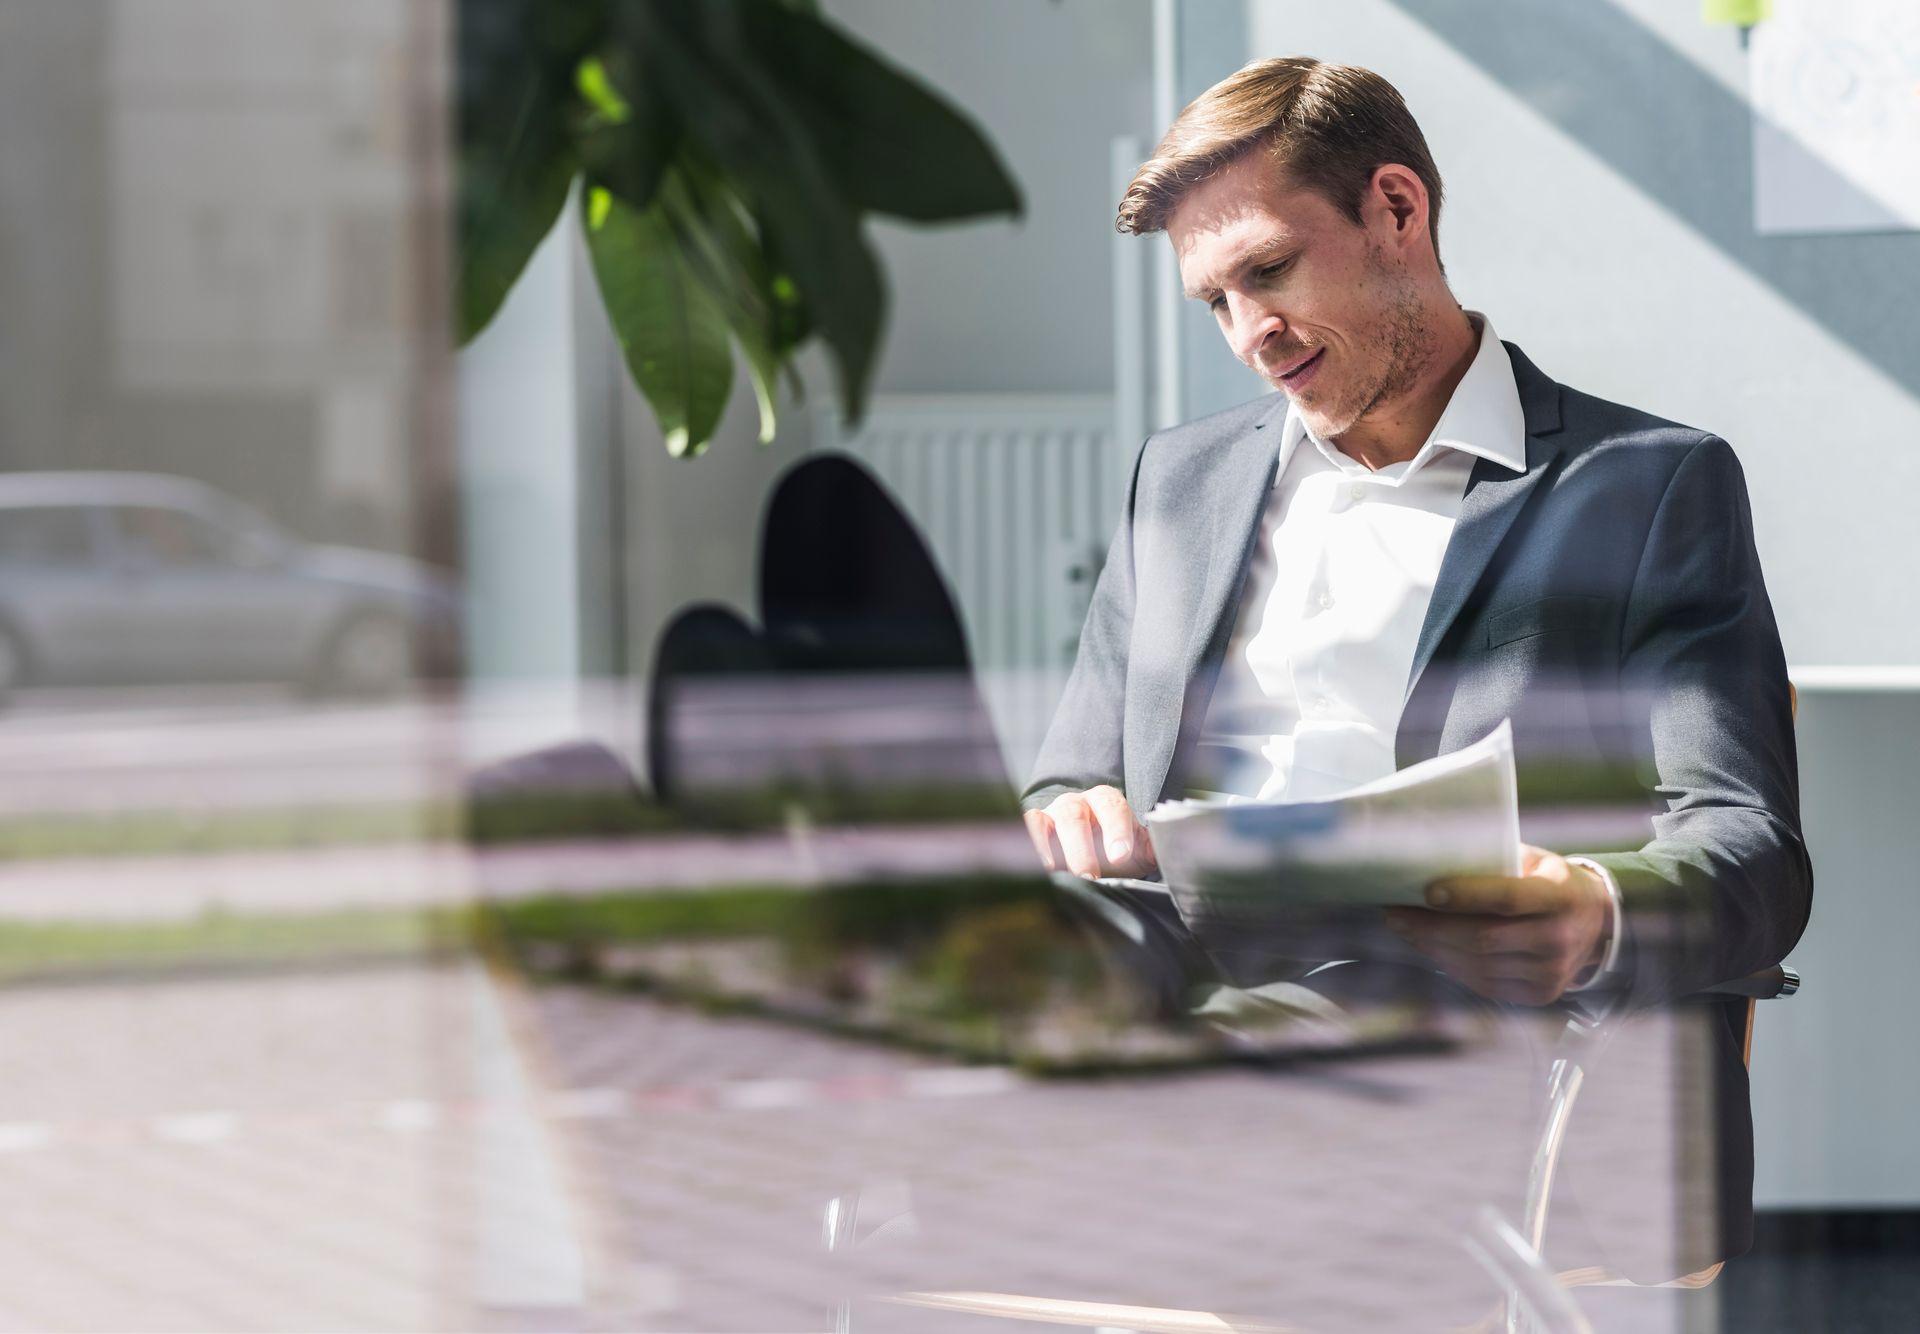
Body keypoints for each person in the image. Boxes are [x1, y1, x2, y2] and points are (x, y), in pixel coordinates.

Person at [1019, 56, 1811, 1270]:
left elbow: (1748, 840)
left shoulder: (1646, 486)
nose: (1250, 335)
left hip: (1458, 1027)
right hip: (1170, 986)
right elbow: (1070, 776)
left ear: (1397, 208)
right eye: (1216, 301)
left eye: (1270, 272)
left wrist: (1596, 912)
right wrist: (1071, 813)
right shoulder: (1177, 484)